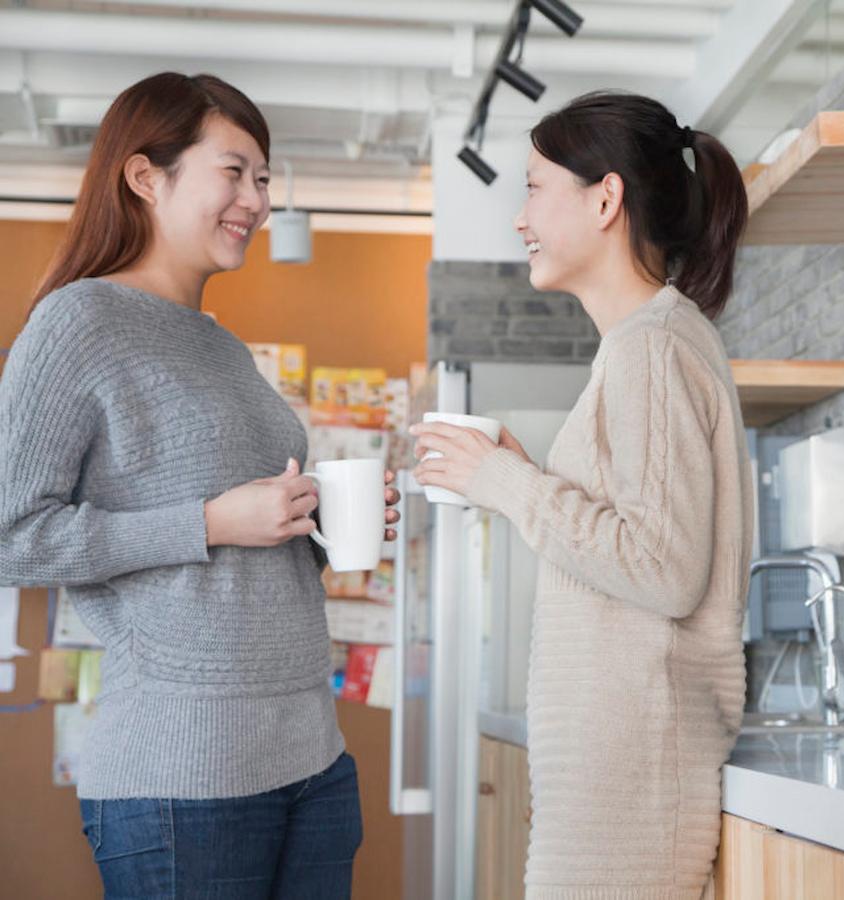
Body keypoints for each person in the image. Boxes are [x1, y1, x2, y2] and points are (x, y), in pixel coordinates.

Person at [0, 72, 399, 899]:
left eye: (263, 177)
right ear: (147, 177)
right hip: (186, 773)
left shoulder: (221, 346)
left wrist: (316, 523)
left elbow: (244, 558)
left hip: (313, 760)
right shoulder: (78, 322)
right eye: (236, 170)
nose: (256, 199)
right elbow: (10, 534)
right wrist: (210, 521)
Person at [410, 91, 754, 899]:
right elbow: (637, 542)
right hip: (616, 776)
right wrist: (535, 480)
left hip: (632, 780)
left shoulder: (653, 350)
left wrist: (507, 483)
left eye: (533, 188)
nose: (520, 217)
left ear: (606, 198)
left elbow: (663, 569)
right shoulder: (646, 346)